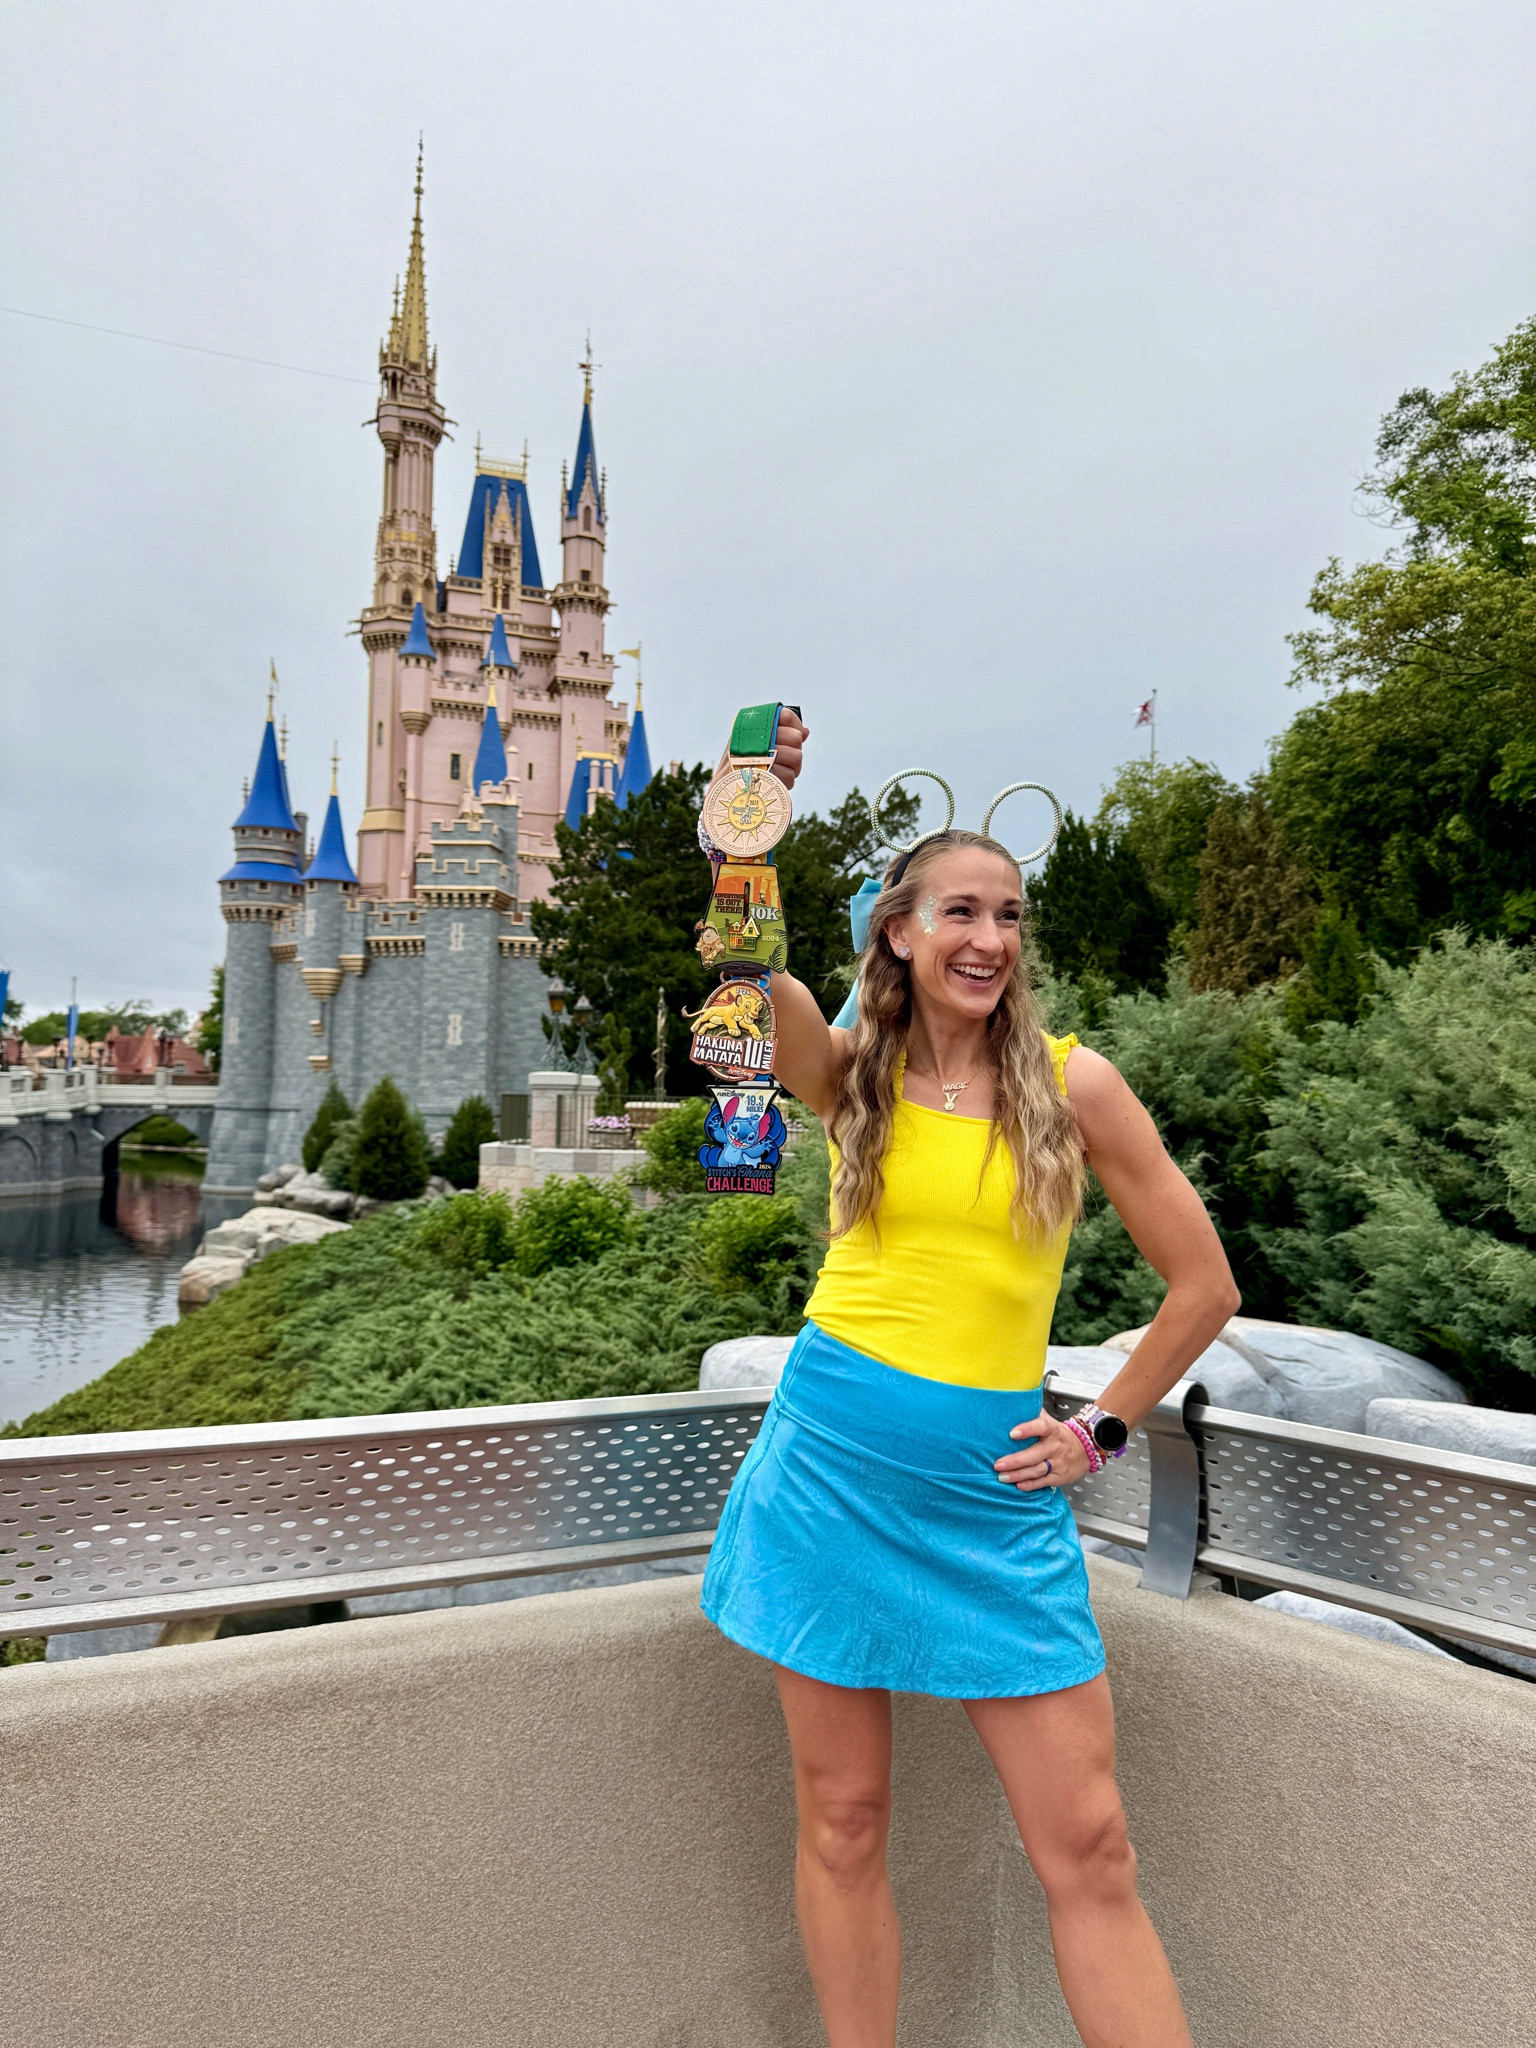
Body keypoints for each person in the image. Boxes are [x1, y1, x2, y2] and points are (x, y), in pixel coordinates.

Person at [700, 711, 1239, 2048]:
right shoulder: (851, 1067)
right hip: (827, 1475)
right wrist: (747, 833)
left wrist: (1103, 1433)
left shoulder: (1078, 1087)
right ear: (898, 931)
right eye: (958, 911)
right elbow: (743, 984)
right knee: (844, 1824)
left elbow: (1205, 1286)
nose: (988, 938)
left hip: (995, 1508)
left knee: (1093, 1850)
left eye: (1008, 916)